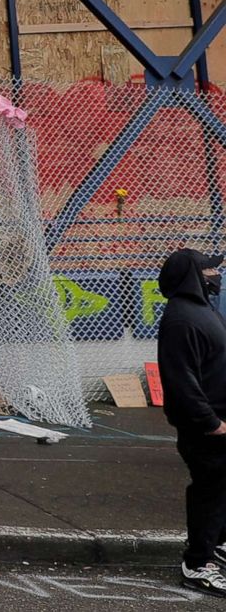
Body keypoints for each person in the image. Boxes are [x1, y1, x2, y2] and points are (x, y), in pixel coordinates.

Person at [155, 248, 226, 598]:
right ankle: (197, 564)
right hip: (207, 428)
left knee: (221, 489)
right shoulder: (182, 319)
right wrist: (211, 422)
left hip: (218, 420)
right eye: (210, 271)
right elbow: (181, 380)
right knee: (209, 493)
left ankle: (219, 543)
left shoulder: (202, 309)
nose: (216, 275)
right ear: (194, 276)